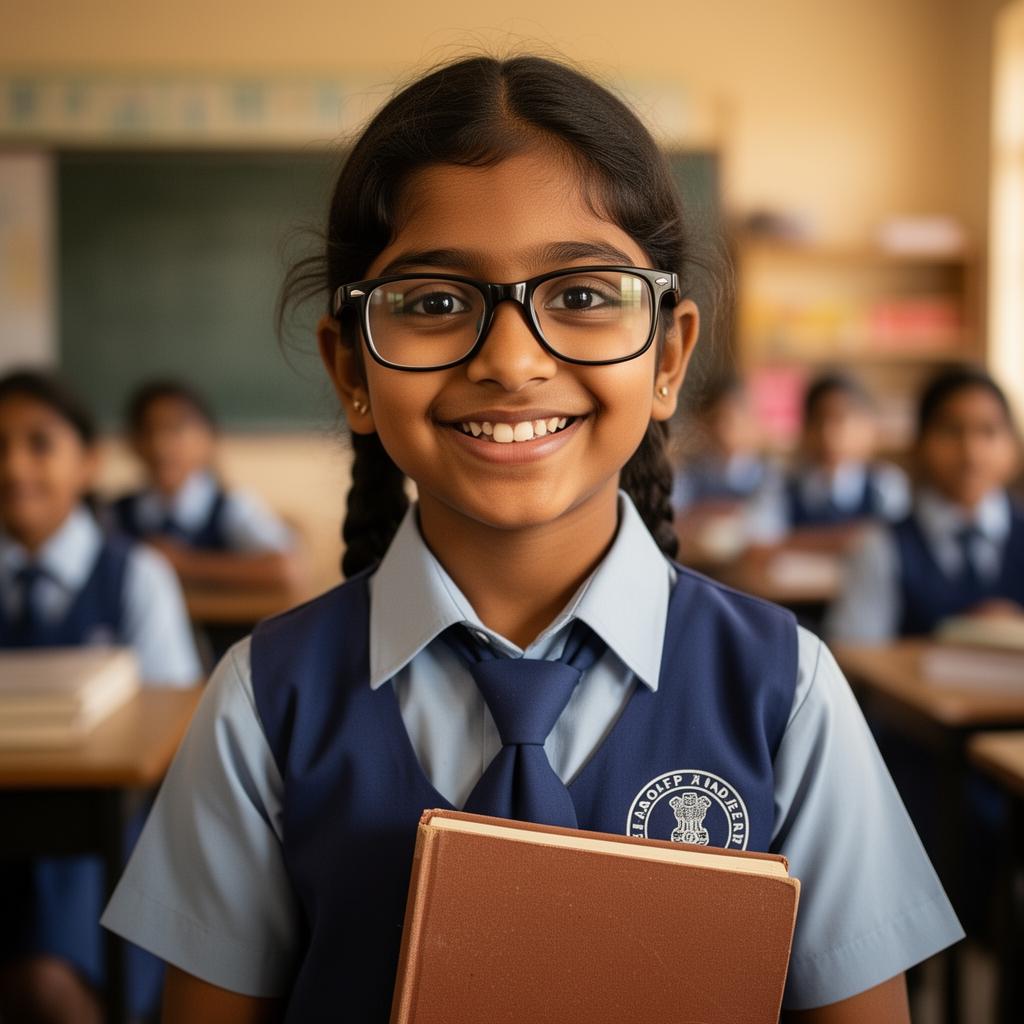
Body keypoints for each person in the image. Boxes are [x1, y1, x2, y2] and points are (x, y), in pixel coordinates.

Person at [101, 55, 962, 1023]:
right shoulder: (265, 701)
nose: (511, 362)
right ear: (350, 369)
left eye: (583, 296)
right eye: (435, 302)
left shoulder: (784, 692)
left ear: (669, 356)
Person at [0, 369, 200, 1024]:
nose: (14, 467)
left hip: (103, 836)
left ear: (88, 462)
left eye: (39, 444)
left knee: (49, 986)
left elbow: (171, 735)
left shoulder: (136, 575)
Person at [826, 365, 1023, 642]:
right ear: (919, 443)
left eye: (988, 432)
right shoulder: (880, 547)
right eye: (952, 431)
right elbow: (851, 653)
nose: (971, 451)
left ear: (1014, 447)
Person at [111, 379, 299, 591]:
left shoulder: (232, 506)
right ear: (132, 443)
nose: (160, 445)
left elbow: (287, 568)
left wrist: (185, 564)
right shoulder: (117, 513)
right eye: (147, 431)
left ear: (207, 438)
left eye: (176, 429)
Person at [748, 372, 909, 547]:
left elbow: (895, 545)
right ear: (804, 430)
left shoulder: (884, 484)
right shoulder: (780, 485)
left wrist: (795, 542)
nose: (828, 433)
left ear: (868, 427)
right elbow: (761, 545)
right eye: (818, 421)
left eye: (841, 419)